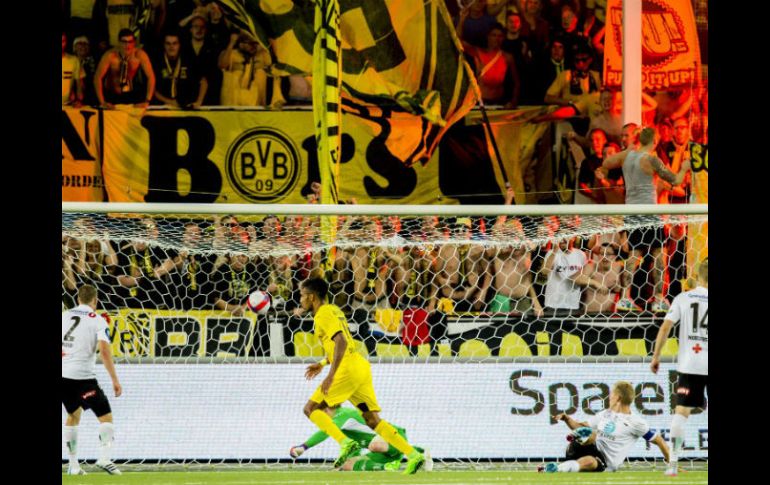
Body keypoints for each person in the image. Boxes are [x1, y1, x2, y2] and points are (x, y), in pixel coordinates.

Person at [299, 276, 426, 474]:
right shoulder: (334, 310)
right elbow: (341, 344)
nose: (300, 300)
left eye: (302, 296)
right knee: (372, 420)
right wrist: (323, 363)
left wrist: (330, 375)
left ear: (312, 297)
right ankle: (413, 455)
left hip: (346, 369)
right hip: (359, 366)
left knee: (311, 409)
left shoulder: (322, 314)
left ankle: (346, 443)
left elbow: (340, 341)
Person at [598, 126, 691, 312]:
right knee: (658, 257)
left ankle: (624, 298)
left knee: (633, 257)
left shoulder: (626, 156)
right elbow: (676, 180)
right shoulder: (652, 159)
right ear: (655, 141)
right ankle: (658, 299)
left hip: (632, 212)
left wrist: (606, 173)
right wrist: (684, 167)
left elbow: (607, 163)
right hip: (649, 214)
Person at [650, 259, 708, 477]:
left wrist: (656, 356)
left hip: (691, 364)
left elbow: (665, 327)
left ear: (698, 275)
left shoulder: (683, 298)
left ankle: (672, 464)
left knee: (681, 414)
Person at [540, 381, 670, 473]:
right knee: (591, 433)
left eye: (611, 394)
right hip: (581, 448)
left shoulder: (636, 423)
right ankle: (577, 438)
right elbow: (580, 425)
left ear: (618, 398)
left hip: (603, 462)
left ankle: (556, 468)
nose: (609, 397)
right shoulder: (605, 414)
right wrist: (566, 419)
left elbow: (659, 441)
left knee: (590, 461)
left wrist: (672, 464)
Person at [62, 284, 122, 475]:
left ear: (78, 299)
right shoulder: (97, 320)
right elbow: (104, 351)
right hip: (83, 377)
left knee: (73, 415)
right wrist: (115, 380)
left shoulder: (64, 316)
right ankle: (104, 458)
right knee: (106, 417)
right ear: (95, 301)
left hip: (64, 376)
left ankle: (73, 466)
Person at [289, 405, 431, 472]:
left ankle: (417, 451)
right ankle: (389, 466)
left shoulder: (343, 415)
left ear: (326, 410)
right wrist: (343, 464)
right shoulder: (342, 427)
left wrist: (303, 447)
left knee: (374, 445)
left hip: (393, 436)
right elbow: (352, 447)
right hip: (380, 449)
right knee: (347, 466)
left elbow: (325, 432)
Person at [94, 28, 156, 108]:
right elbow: (97, 78)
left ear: (134, 42)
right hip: (111, 94)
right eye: (124, 42)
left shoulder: (139, 55)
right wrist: (102, 102)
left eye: (130, 42)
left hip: (129, 94)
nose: (127, 45)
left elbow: (151, 77)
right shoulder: (110, 55)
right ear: (119, 42)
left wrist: (147, 101)